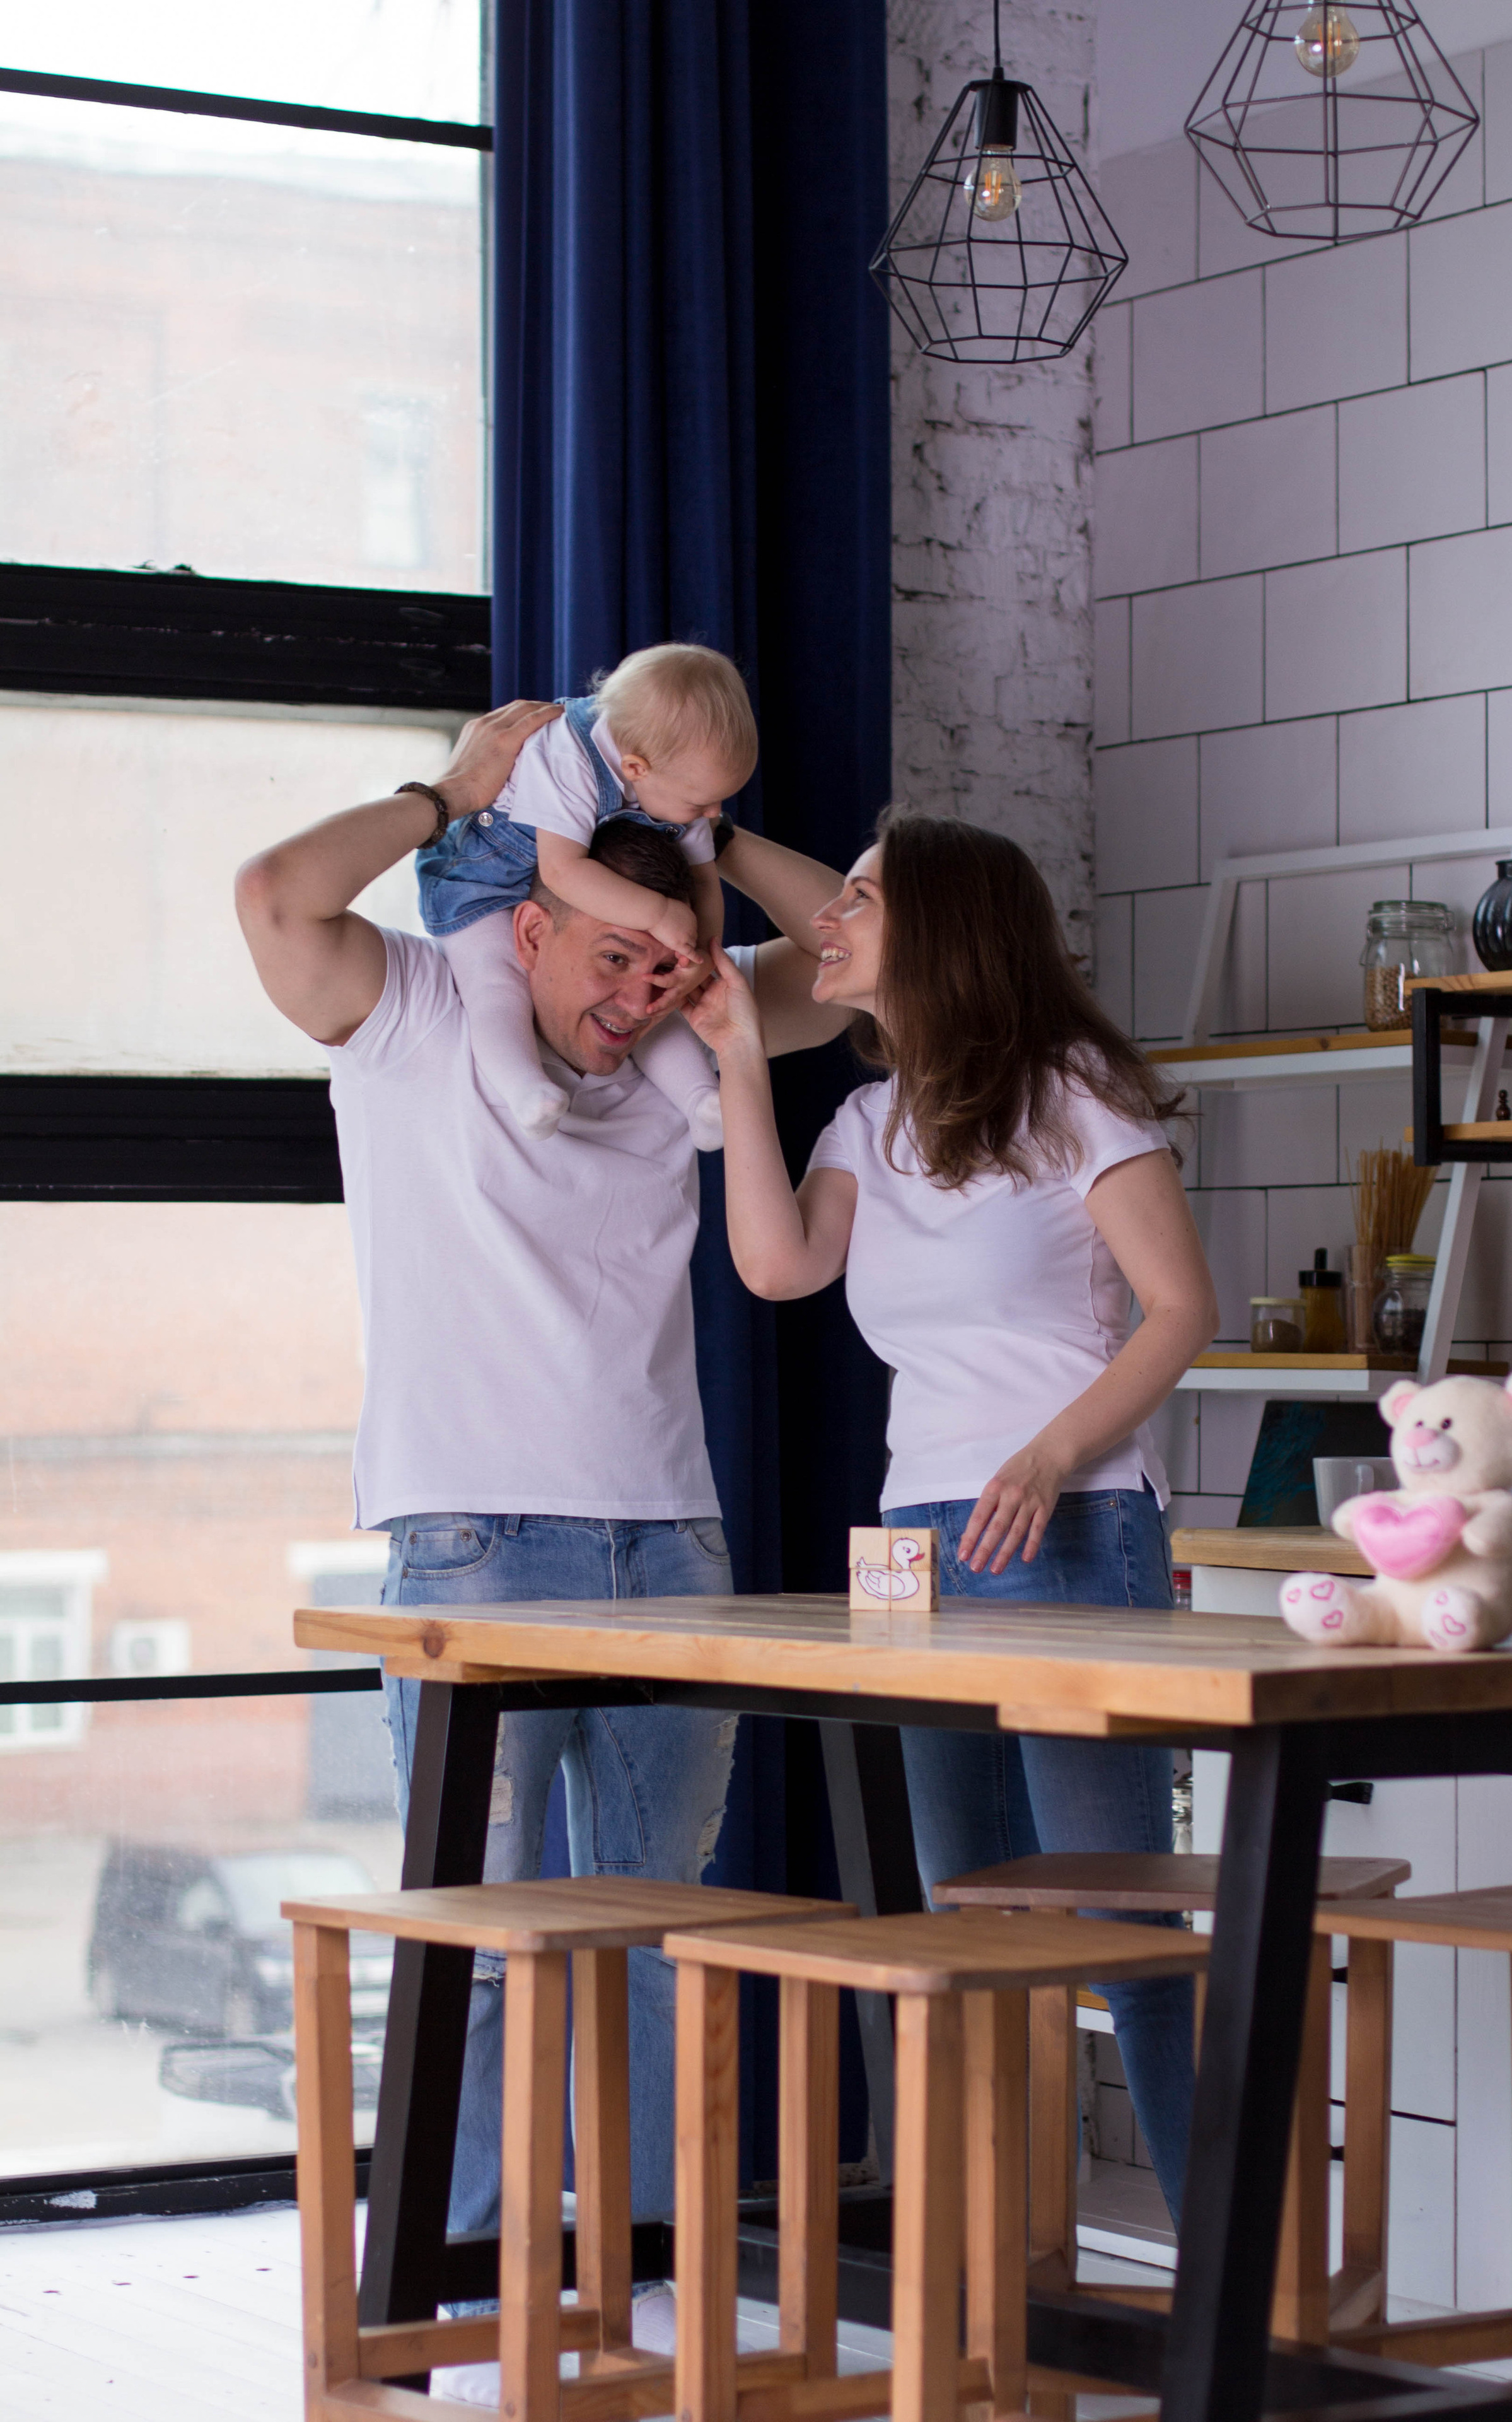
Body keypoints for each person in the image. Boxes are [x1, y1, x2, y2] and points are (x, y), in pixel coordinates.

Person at [234, 701, 845, 2284]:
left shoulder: (671, 1052)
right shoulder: (419, 1005)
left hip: (670, 1547)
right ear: (528, 923)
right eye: (609, 961)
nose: (634, 996)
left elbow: (855, 949)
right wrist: (451, 793)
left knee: (650, 1934)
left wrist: (699, 865)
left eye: (662, 971)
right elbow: (272, 897)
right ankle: (462, 2282)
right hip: (477, 1547)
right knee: (487, 1941)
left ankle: (636, 2283)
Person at [685, 805, 1219, 2228]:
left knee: (1120, 1932)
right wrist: (739, 1057)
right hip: (914, 1545)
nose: (828, 923)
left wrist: (1047, 1457)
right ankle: (979, 2286)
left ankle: (1234, 2296)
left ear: (942, 930)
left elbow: (1180, 1312)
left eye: (858, 897)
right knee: (961, 1922)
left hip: (1068, 1521)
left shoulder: (1072, 1097)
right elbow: (777, 1264)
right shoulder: (865, 1117)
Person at [417, 644, 754, 1147]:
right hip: (482, 882)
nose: (713, 814)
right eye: (702, 803)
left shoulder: (673, 774)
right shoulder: (565, 757)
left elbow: (704, 880)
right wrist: (660, 911)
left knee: (651, 998)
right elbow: (561, 871)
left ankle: (701, 1101)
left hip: (568, 885)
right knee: (494, 983)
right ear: (636, 769)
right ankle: (524, 1088)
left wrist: (697, 957)